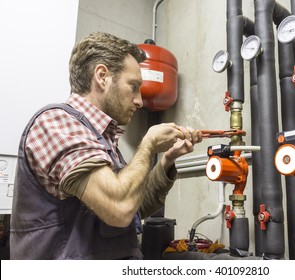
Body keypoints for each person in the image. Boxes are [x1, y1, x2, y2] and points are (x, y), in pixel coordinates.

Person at [10, 32, 202, 259]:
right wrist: (148, 143)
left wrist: (168, 160)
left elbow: (133, 208)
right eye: (133, 86)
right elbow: (119, 209)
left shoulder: (101, 139)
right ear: (102, 76)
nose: (140, 101)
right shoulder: (56, 124)